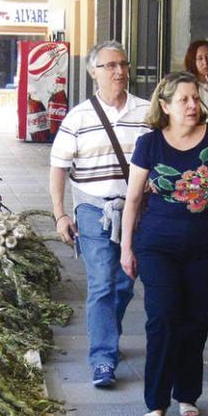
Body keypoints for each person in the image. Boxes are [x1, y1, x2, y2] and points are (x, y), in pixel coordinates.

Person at [120, 71, 208, 416]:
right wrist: (127, 247)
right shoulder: (150, 144)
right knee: (161, 320)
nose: (192, 106)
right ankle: (156, 401)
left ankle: (187, 393)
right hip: (158, 245)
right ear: (165, 106)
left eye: (195, 98)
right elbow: (132, 199)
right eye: (183, 100)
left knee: (196, 321)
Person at [50, 40, 151, 388]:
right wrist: (61, 214)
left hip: (136, 209)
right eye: (109, 66)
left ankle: (107, 333)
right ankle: (103, 358)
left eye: (122, 64)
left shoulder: (147, 112)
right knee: (102, 283)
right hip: (94, 208)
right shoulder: (78, 117)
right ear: (94, 72)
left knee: (125, 283)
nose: (119, 71)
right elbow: (58, 167)